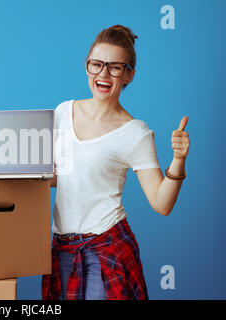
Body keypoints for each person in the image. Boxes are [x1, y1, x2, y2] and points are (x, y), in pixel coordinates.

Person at [42, 25, 190, 300]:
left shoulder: (134, 132)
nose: (103, 74)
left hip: (106, 248)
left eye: (115, 68)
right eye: (96, 64)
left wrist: (178, 160)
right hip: (61, 250)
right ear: (87, 66)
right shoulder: (63, 112)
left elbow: (162, 203)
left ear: (129, 75)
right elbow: (60, 176)